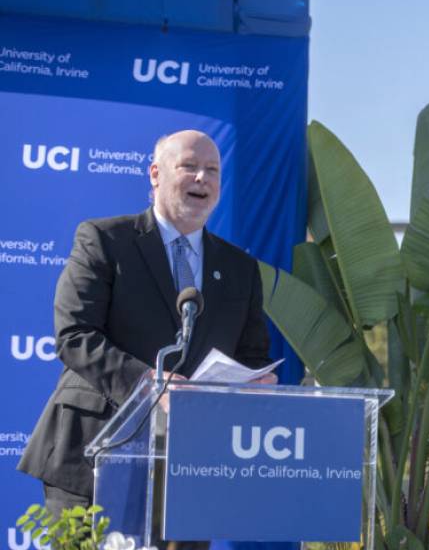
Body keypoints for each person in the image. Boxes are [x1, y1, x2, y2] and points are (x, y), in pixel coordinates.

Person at [18, 130, 275, 519]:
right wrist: (149, 385)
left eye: (212, 170)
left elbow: (252, 354)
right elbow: (75, 335)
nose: (202, 178)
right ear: (156, 174)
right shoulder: (104, 239)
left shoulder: (240, 268)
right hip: (94, 452)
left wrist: (255, 381)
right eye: (189, 166)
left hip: (190, 466)